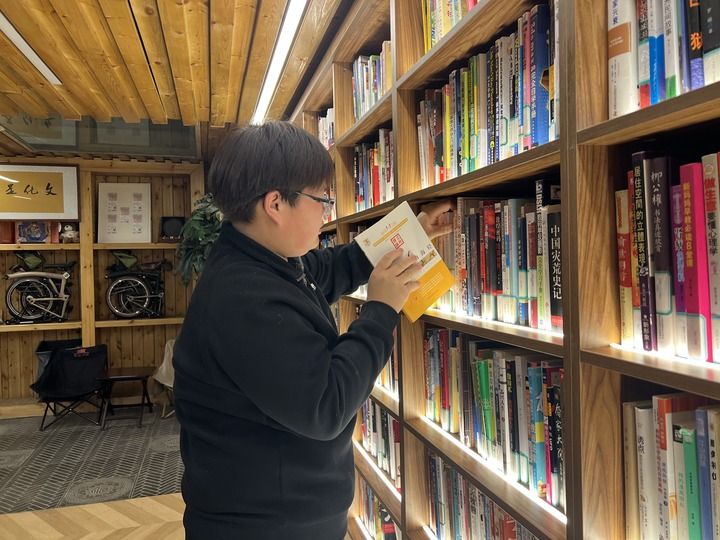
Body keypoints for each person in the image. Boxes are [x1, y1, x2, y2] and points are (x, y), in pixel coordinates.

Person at [173, 121, 452, 539]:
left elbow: (330, 267)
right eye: (321, 199)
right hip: (265, 528)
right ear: (275, 204)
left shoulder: (264, 258)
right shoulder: (243, 298)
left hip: (280, 513)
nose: (327, 213)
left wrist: (413, 232)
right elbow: (326, 405)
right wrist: (380, 310)